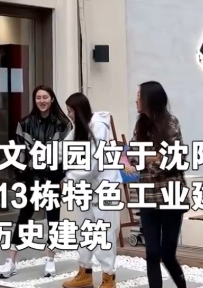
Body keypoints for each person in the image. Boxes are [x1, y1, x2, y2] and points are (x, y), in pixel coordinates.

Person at [0, 85, 72, 279]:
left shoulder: (63, 124)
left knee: (53, 217)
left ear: (52, 99)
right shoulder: (24, 123)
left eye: (45, 97)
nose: (42, 101)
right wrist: (22, 176)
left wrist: (64, 176)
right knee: (24, 215)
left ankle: (50, 258)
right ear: (34, 100)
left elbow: (68, 153)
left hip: (54, 176)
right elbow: (19, 153)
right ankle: (11, 260)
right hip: (32, 175)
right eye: (38, 97)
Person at [61, 93, 126, 288]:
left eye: (71, 111)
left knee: (104, 231)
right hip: (86, 187)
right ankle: (84, 272)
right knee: (84, 229)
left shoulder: (99, 126)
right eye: (68, 111)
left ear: (79, 110)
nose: (69, 115)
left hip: (105, 186)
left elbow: (92, 164)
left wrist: (67, 177)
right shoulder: (80, 127)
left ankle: (108, 277)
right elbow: (63, 148)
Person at [131, 81, 187, 288]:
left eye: (139, 96)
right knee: (152, 252)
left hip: (171, 195)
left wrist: (149, 158)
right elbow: (133, 157)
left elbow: (176, 159)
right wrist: (153, 156)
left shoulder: (170, 123)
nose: (136, 100)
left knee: (167, 253)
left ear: (150, 99)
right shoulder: (140, 125)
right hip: (147, 195)